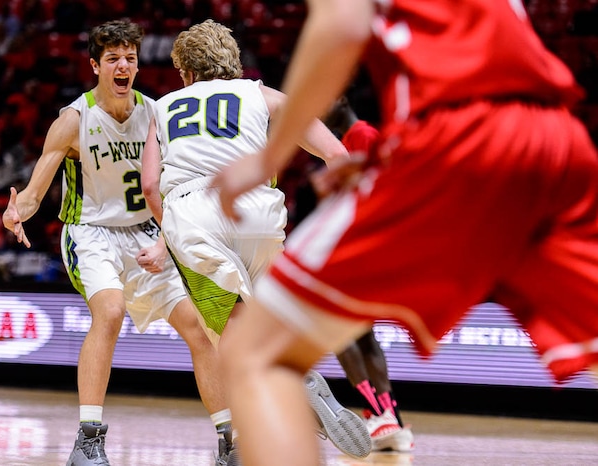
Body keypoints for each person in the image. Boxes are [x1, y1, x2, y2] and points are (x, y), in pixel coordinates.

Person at [212, 0, 598, 465]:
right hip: (556, 138)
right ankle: (384, 414)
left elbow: (341, 22)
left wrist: (269, 157)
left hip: (461, 135)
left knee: (257, 353)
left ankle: (382, 415)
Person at [140, 19, 371, 463]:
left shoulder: (164, 106)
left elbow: (151, 186)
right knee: (263, 326)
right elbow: (337, 155)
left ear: (185, 71)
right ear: (232, 61)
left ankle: (248, 440)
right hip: (259, 212)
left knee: (231, 335)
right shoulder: (263, 94)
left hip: (195, 212)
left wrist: (172, 236)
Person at [1, 19, 226, 466]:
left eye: (130, 58)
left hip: (145, 233)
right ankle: (88, 439)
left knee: (200, 330)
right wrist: (16, 211)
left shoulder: (156, 115)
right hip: (90, 231)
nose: (123, 66)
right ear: (95, 66)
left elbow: (177, 185)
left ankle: (230, 440)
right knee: (110, 311)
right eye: (113, 59)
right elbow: (34, 192)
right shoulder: (72, 121)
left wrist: (170, 236)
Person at [321, 96, 414, 452]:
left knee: (339, 332)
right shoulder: (348, 140)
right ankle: (393, 423)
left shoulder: (362, 135)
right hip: (368, 247)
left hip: (365, 247)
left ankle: (377, 413)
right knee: (362, 336)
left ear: (341, 99)